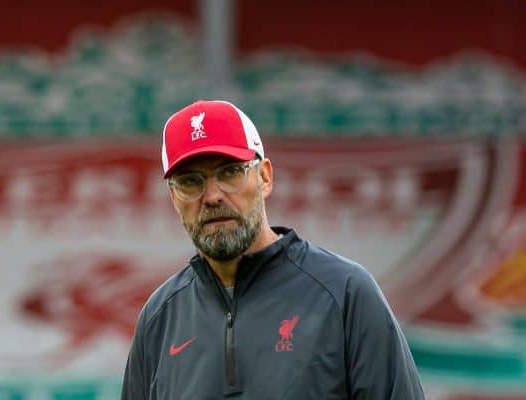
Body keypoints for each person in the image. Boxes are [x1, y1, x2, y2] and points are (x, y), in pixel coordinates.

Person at [120, 100, 425, 399]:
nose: (212, 196)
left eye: (229, 173)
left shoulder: (344, 293)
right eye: (190, 181)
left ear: (264, 177)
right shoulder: (159, 318)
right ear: (174, 199)